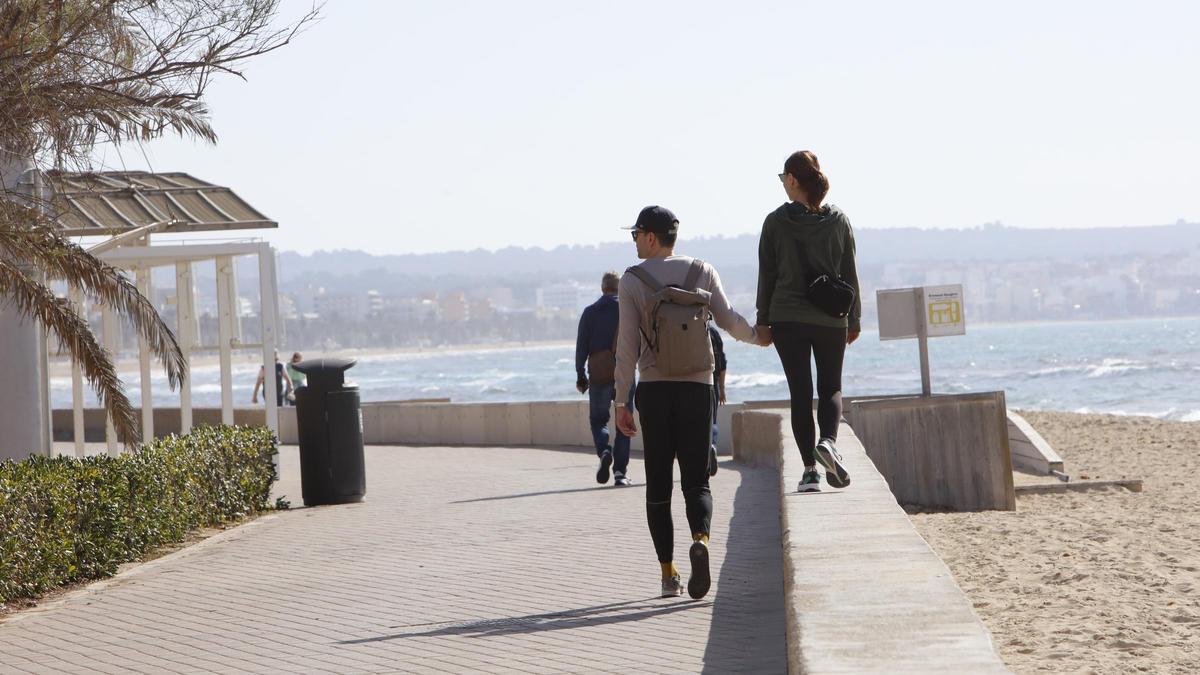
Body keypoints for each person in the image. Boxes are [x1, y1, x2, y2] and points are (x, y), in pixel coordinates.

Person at [615, 205, 765, 600]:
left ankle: (668, 574)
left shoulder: (631, 281)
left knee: (659, 485)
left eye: (636, 234)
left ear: (650, 237)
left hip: (654, 389)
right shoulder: (703, 271)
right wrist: (758, 336)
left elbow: (626, 347)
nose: (633, 241)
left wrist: (620, 401)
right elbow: (728, 320)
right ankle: (701, 539)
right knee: (697, 480)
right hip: (699, 388)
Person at [755, 151, 861, 493]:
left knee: (800, 392)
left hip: (786, 317)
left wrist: (763, 320)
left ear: (792, 180)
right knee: (831, 387)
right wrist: (854, 317)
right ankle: (828, 441)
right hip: (831, 317)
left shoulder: (775, 222)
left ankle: (810, 472)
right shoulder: (839, 220)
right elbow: (850, 274)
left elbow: (766, 275)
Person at [575, 271, 633, 487]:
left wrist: (580, 374)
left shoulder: (590, 312)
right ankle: (620, 473)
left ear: (602, 288)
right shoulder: (627, 311)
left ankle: (604, 450)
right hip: (624, 373)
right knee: (624, 423)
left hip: (599, 373)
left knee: (598, 420)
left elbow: (581, 346)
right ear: (619, 289)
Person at [707, 320, 727, 477]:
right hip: (712, 384)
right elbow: (722, 363)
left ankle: (701, 457)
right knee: (711, 420)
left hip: (693, 382)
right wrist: (722, 389)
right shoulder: (713, 333)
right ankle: (712, 446)